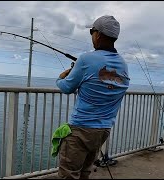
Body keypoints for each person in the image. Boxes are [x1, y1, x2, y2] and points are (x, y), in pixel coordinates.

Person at [56, 15, 130, 179]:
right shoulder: (123, 65)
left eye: (92, 31)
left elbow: (66, 87)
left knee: (68, 174)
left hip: (80, 129)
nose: (91, 35)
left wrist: (61, 77)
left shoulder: (86, 59)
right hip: (103, 130)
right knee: (84, 172)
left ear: (98, 34)